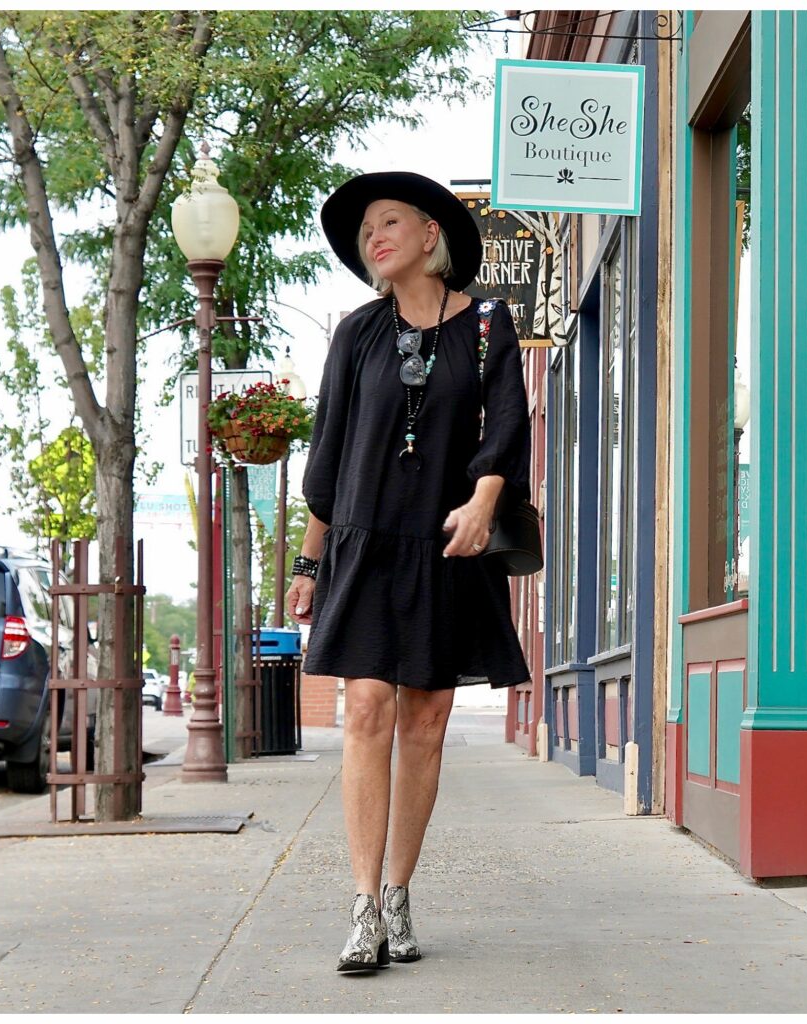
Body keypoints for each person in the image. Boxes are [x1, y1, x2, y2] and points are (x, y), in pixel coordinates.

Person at [285, 172, 532, 972]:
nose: (373, 238)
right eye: (363, 233)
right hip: (364, 542)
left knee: (425, 722)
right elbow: (328, 452)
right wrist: (308, 558)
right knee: (364, 711)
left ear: (432, 236)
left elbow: (506, 429)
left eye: (389, 222)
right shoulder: (356, 332)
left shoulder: (490, 324)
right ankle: (360, 907)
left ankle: (398, 894)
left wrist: (484, 500)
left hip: (448, 546)